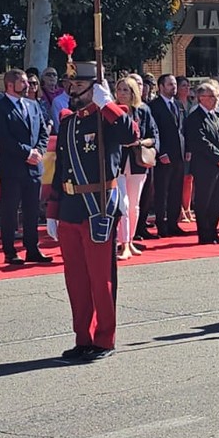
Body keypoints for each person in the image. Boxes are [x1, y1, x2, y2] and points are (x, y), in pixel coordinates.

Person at [45, 62, 137, 363]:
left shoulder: (108, 119)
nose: (71, 89)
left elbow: (130, 135)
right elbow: (61, 169)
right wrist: (53, 209)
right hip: (71, 208)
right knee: (76, 280)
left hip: (98, 207)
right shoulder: (68, 122)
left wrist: (108, 103)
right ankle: (82, 338)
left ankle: (104, 338)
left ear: (93, 88)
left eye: (77, 85)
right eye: (69, 84)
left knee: (101, 279)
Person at [0, 69, 52, 266]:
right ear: (10, 84)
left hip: (33, 167)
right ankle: (10, 250)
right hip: (12, 167)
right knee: (10, 210)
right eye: (23, 82)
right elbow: (3, 138)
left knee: (32, 209)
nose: (28, 86)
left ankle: (32, 247)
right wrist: (26, 153)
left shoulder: (33, 105)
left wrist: (39, 151)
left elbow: (43, 131)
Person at [115, 76, 159, 260]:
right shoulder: (112, 111)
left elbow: (154, 136)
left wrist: (139, 142)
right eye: (119, 90)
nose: (122, 93)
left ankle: (130, 240)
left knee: (134, 206)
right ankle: (123, 243)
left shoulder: (144, 110)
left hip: (137, 162)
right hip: (117, 163)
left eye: (126, 90)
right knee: (123, 204)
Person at [185, 81, 219, 244]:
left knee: (217, 201)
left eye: (217, 96)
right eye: (212, 96)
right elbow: (200, 141)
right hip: (205, 166)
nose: (216, 99)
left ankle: (213, 231)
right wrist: (218, 157)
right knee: (204, 200)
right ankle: (204, 234)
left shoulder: (217, 116)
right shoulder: (195, 117)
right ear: (201, 98)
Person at [144, 73, 186, 237]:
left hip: (179, 154)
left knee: (176, 190)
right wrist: (161, 153)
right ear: (161, 87)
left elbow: (182, 129)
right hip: (164, 155)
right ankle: (162, 224)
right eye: (170, 84)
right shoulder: (154, 106)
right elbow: (155, 131)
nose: (173, 87)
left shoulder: (178, 104)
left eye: (175, 84)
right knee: (162, 191)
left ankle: (173, 223)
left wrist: (186, 150)